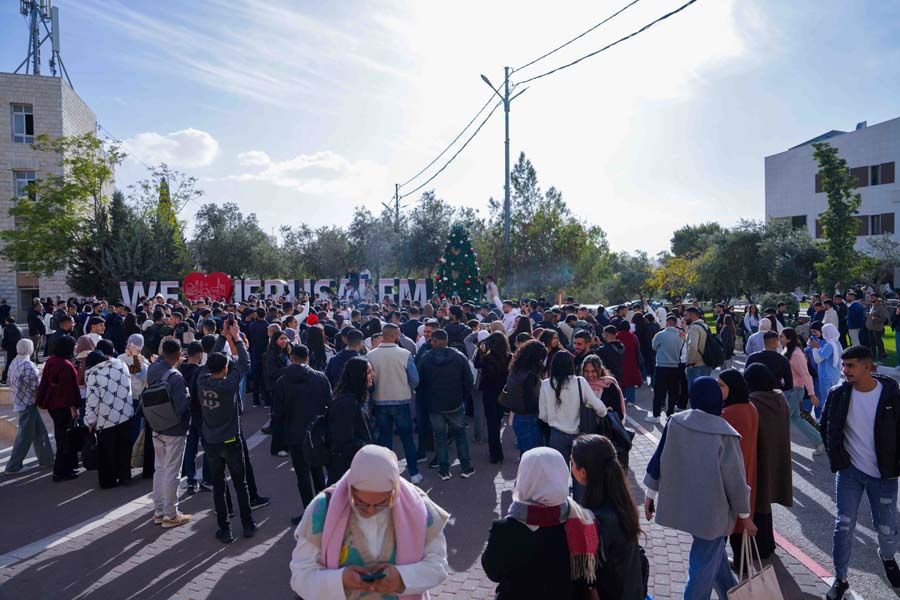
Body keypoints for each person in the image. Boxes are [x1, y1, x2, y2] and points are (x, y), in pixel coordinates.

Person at [290, 444, 450, 598]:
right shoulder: (323, 508)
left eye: (382, 504)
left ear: (394, 491)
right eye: (360, 502)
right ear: (350, 489)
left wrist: (402, 578)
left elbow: (438, 564)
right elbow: (301, 574)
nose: (371, 510)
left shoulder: (418, 507)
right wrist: (340, 581)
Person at [644, 376, 754, 600]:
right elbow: (735, 480)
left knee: (713, 556)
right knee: (702, 566)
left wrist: (650, 495)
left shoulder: (676, 422)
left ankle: (731, 594)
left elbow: (658, 460)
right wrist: (745, 516)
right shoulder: (725, 433)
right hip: (713, 513)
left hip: (684, 505)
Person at [820, 345, 900, 599]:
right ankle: (840, 578)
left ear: (868, 367)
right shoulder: (838, 394)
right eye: (844, 365)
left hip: (884, 474)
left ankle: (887, 556)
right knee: (843, 525)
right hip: (849, 472)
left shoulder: (891, 394)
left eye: (851, 365)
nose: (845, 370)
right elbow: (826, 425)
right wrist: (837, 457)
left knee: (886, 529)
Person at [482, 447, 601, 600]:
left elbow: (493, 572)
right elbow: (586, 577)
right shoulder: (582, 520)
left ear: (524, 477)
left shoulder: (504, 529)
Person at [198, 321, 255, 543]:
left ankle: (225, 529)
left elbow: (209, 360)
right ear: (225, 369)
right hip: (231, 439)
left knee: (219, 486)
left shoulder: (202, 380)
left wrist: (222, 336)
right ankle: (248, 524)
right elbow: (245, 363)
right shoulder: (229, 384)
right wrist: (236, 337)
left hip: (211, 441)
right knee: (241, 484)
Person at [571, 435, 645, 600]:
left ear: (583, 472)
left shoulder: (598, 520)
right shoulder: (620, 501)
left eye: (572, 463)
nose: (571, 466)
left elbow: (589, 577)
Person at [272, 344, 330, 525]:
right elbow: (329, 404)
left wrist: (279, 438)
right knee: (318, 472)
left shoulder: (282, 381)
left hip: (294, 434)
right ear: (308, 357)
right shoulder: (320, 377)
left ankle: (308, 512)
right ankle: (324, 510)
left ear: (292, 358)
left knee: (302, 475)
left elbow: (277, 412)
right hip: (316, 432)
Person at [743, 364, 792, 559]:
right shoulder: (779, 398)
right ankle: (768, 545)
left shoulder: (754, 402)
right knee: (764, 503)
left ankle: (760, 549)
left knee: (757, 502)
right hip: (776, 455)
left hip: (758, 456)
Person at [366, 323, 422, 484]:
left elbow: (369, 380)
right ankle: (414, 473)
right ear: (395, 335)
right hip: (401, 400)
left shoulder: (371, 355)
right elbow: (415, 379)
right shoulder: (404, 354)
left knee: (385, 440)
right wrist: (407, 389)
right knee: (407, 438)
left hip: (380, 401)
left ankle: (386, 475)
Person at [417, 329, 475, 480]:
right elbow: (469, 381)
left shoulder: (425, 358)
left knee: (440, 437)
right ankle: (466, 467)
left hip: (434, 405)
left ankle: (444, 470)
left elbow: (419, 382)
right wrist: (462, 396)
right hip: (455, 403)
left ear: (435, 341)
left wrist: (427, 397)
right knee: (460, 435)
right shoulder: (459, 357)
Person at [147, 339, 192, 528]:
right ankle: (170, 514)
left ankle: (158, 511)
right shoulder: (176, 376)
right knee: (173, 472)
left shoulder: (152, 369)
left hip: (156, 424)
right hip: (174, 429)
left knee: (160, 469)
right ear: (179, 354)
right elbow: (182, 405)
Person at [717, 369, 759, 566]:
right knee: (741, 520)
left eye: (721, 385)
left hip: (731, 474)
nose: (718, 389)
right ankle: (741, 562)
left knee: (728, 522)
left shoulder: (728, 413)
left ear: (732, 387)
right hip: (747, 469)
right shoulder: (750, 406)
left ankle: (728, 565)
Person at [539, 351, 608, 465]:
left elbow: (543, 415)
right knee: (580, 470)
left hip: (556, 435)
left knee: (560, 471)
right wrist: (604, 413)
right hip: (579, 434)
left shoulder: (546, 384)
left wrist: (554, 419)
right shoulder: (580, 382)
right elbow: (599, 407)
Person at [84, 346, 134, 489]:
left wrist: (90, 422)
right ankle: (125, 476)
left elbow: (92, 402)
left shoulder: (94, 374)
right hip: (125, 413)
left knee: (107, 452)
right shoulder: (121, 364)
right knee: (124, 448)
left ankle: (108, 482)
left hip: (106, 420)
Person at [35, 335, 81, 481]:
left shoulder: (51, 360)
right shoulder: (66, 365)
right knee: (65, 440)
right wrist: (74, 408)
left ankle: (64, 469)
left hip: (53, 404)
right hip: (64, 406)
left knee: (61, 437)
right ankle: (62, 472)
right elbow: (70, 390)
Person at [4, 339, 53, 473]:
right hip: (28, 404)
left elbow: (9, 381)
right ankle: (13, 466)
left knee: (40, 432)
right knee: (25, 437)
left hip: (20, 402)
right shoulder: (28, 365)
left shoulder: (14, 362)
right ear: (30, 349)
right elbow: (36, 387)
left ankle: (46, 460)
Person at [327, 356, 374, 482]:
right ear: (359, 375)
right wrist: (368, 449)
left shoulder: (353, 399)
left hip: (353, 466)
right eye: (369, 372)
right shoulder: (346, 403)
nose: (373, 375)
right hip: (347, 470)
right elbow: (343, 440)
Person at [780, 327, 826, 454]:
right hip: (790, 390)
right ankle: (819, 441)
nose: (779, 339)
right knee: (796, 419)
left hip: (795, 391)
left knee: (782, 418)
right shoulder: (788, 350)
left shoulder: (796, 354)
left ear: (789, 339)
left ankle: (779, 448)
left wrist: (812, 394)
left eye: (781, 336)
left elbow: (806, 375)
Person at [473, 331, 510, 464]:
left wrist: (480, 349)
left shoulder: (486, 357)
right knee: (498, 420)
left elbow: (476, 364)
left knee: (491, 423)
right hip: (503, 393)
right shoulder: (509, 357)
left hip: (489, 392)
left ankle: (495, 453)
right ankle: (496, 450)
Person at [507, 339, 547, 454]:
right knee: (534, 454)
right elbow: (531, 400)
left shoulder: (516, 369)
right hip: (529, 418)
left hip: (518, 416)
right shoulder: (530, 375)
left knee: (524, 454)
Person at [649, 315, 684, 422]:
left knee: (658, 392)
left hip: (661, 365)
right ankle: (670, 413)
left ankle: (656, 415)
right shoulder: (681, 335)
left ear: (667, 323)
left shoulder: (660, 334)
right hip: (675, 366)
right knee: (673, 392)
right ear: (676, 323)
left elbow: (654, 346)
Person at [811, 323, 843, 418]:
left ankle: (824, 419)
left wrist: (814, 348)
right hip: (834, 374)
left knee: (825, 400)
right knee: (832, 398)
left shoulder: (829, 345)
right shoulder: (837, 343)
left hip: (826, 375)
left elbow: (818, 359)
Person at [580, 354, 626, 418]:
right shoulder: (580, 386)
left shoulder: (609, 386)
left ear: (600, 370)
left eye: (594, 371)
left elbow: (618, 414)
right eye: (586, 371)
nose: (590, 375)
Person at [683, 307, 711, 392]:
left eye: (685, 315)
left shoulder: (694, 328)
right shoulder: (705, 326)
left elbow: (693, 346)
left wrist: (689, 363)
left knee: (694, 392)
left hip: (696, 365)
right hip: (706, 362)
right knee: (703, 391)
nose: (684, 318)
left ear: (692, 315)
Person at [1, 316, 22, 384]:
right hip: (18, 348)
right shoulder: (19, 328)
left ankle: (4, 379)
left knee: (8, 364)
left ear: (7, 321)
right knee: (18, 363)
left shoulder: (6, 329)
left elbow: (5, 339)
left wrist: (3, 347)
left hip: (10, 349)